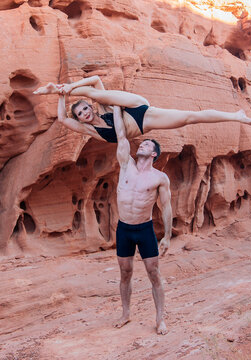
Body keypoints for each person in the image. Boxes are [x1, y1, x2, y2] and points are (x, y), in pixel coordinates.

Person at [34, 75, 251, 143]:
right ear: (80, 119)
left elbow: (95, 80)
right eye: (81, 113)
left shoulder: (101, 106)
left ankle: (62, 88)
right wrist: (62, 100)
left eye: (85, 109)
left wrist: (64, 91)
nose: (85, 113)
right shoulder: (90, 131)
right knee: (189, 119)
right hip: (144, 124)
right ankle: (62, 91)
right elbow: (63, 119)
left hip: (135, 108)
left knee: (95, 92)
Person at [110, 104, 172, 335]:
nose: (141, 145)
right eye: (141, 143)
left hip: (145, 229)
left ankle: (160, 319)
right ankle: (126, 314)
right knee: (125, 272)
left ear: (154, 153)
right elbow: (120, 134)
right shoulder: (126, 164)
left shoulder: (160, 178)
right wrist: (116, 107)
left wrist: (167, 235)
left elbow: (165, 206)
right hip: (124, 229)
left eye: (146, 144)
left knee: (153, 273)